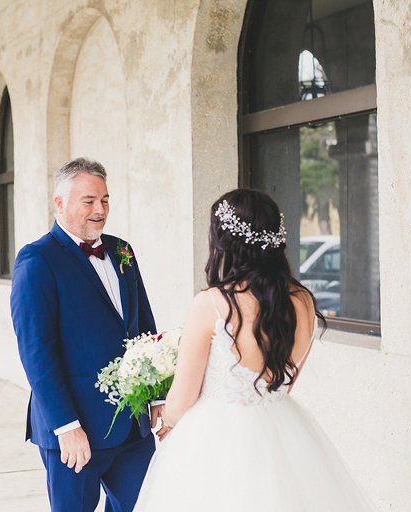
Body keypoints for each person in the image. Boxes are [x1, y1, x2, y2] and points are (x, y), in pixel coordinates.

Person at [134, 189, 378, 511]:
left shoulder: (211, 303)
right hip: (282, 432)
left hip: (213, 443)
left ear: (225, 242)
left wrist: (167, 418)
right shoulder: (304, 302)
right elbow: (285, 383)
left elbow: (179, 404)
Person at [10, 158, 158, 512]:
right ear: (59, 203)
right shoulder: (37, 260)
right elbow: (37, 352)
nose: (100, 210)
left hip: (133, 426)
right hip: (76, 430)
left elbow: (144, 328)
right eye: (89, 201)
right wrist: (66, 426)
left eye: (105, 200)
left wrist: (156, 398)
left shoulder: (122, 251)